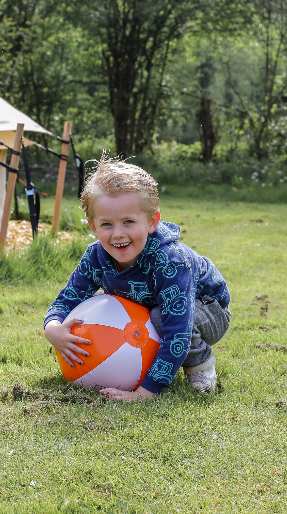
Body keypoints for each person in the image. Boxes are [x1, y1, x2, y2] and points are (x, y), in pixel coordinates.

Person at [43, 156, 231, 401]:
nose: (118, 234)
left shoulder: (171, 262)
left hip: (207, 309)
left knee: (161, 319)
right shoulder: (96, 256)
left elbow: (178, 333)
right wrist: (52, 327)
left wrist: (145, 393)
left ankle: (200, 364)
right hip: (152, 306)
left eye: (128, 222)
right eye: (107, 224)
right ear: (93, 226)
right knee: (98, 303)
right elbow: (69, 297)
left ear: (152, 221)